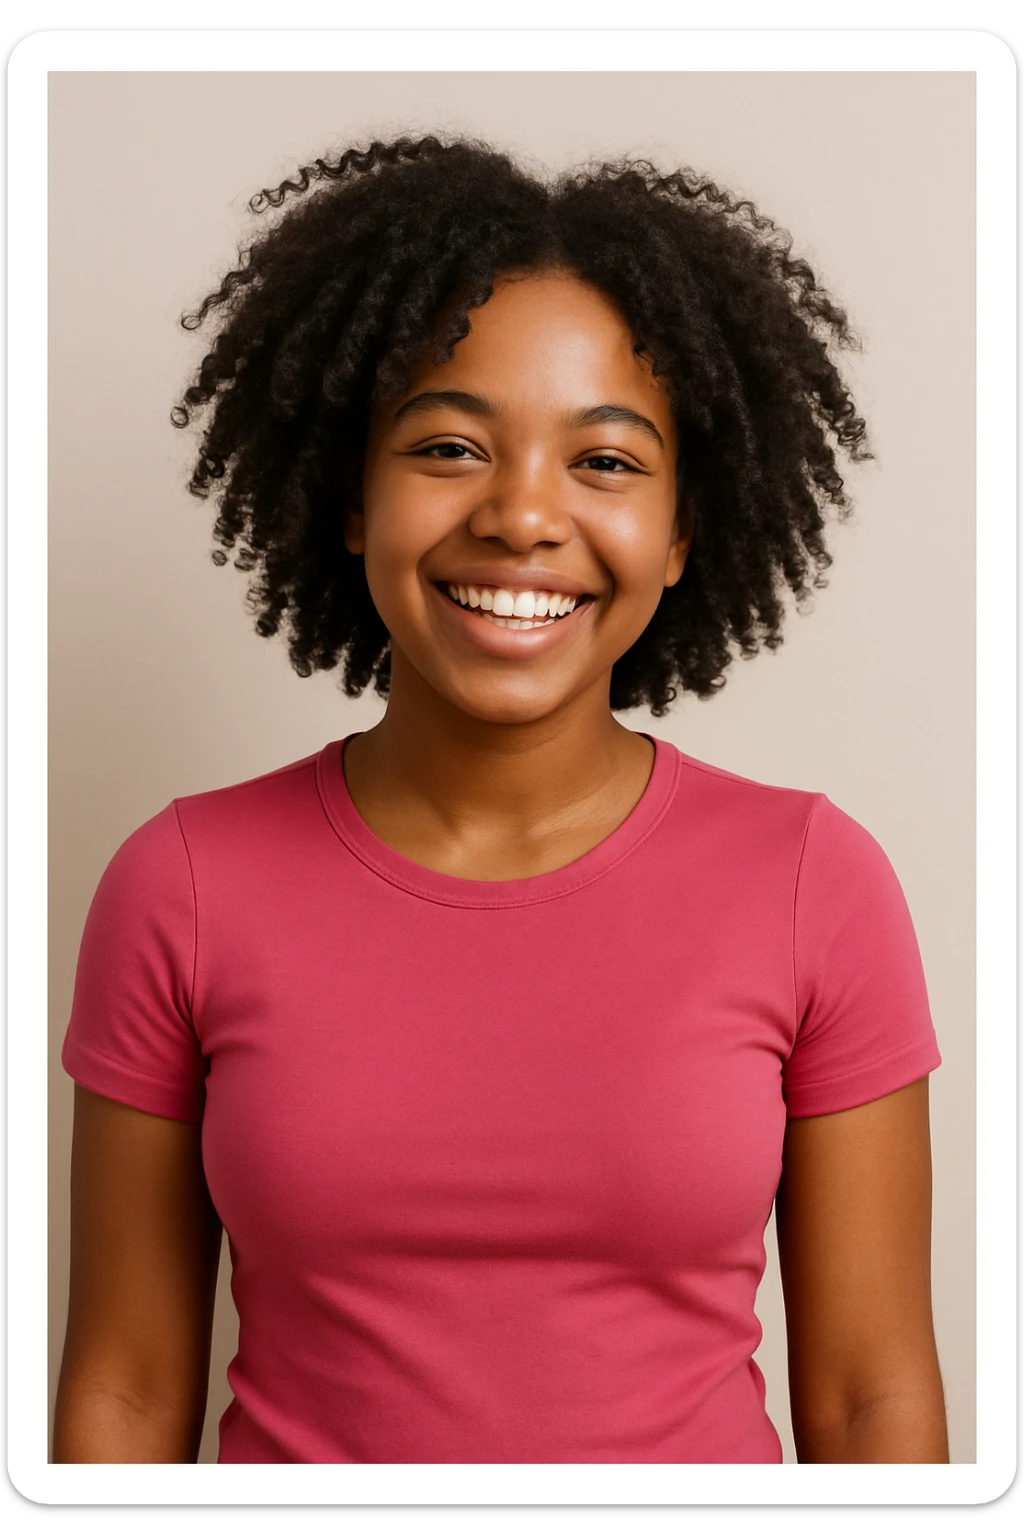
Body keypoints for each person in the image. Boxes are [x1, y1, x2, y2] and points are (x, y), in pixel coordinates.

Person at [53, 135, 949, 1465]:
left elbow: (872, 1399)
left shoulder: (815, 880)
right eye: (450, 445)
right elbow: (123, 1392)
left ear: (686, 531)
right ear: (351, 499)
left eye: (604, 461)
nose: (522, 516)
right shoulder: (182, 884)